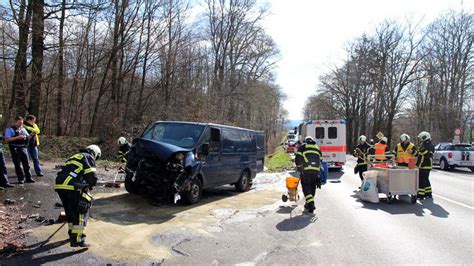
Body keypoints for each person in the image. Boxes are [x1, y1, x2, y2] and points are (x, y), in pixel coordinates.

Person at [54, 145, 101, 248]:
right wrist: (91, 185)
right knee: (80, 212)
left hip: (60, 185)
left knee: (70, 211)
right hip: (72, 186)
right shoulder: (88, 156)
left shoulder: (75, 156)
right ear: (95, 153)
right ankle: (78, 240)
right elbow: (91, 175)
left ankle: (72, 235)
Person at [295, 136, 322, 214]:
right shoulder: (317, 147)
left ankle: (311, 204)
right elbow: (321, 160)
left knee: (306, 187)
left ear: (306, 141)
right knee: (312, 187)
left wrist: (300, 168)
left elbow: (298, 158)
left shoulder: (303, 147)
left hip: (306, 170)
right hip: (316, 171)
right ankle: (309, 204)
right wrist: (319, 173)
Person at [4, 117, 35, 184]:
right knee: (17, 164)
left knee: (26, 164)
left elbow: (28, 137)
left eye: (22, 123)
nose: (21, 124)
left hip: (23, 148)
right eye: (19, 123)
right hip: (15, 148)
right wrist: (17, 137)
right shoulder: (10, 129)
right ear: (15, 122)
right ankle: (20, 179)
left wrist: (32, 135)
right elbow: (7, 139)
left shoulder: (23, 129)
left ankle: (28, 178)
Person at [414, 131, 434, 199]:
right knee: (426, 179)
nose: (420, 139)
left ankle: (421, 195)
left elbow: (427, 155)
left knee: (421, 180)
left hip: (424, 165)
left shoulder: (427, 145)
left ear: (424, 137)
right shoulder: (427, 144)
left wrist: (421, 150)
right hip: (426, 166)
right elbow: (419, 153)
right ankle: (428, 193)